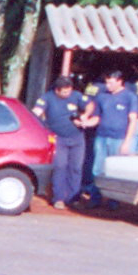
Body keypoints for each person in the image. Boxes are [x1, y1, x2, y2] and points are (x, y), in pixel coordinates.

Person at [32, 73, 92, 210]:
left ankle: (73, 198)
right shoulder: (47, 97)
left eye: (69, 90)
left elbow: (89, 105)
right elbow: (37, 111)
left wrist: (85, 115)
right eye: (64, 91)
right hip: (59, 138)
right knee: (60, 167)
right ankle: (58, 198)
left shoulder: (76, 96)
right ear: (57, 90)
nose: (67, 93)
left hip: (77, 138)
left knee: (76, 168)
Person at [83, 69, 138, 207]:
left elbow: (133, 120)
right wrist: (86, 123)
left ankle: (113, 201)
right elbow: (97, 117)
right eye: (107, 82)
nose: (108, 85)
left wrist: (127, 142)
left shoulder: (129, 97)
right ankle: (95, 199)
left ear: (120, 82)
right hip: (101, 137)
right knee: (97, 168)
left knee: (115, 170)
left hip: (118, 138)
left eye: (111, 83)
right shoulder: (102, 97)